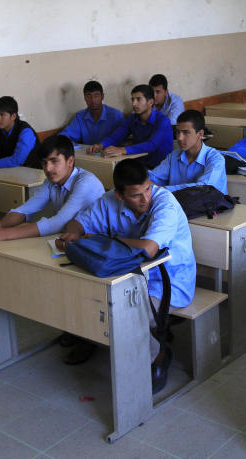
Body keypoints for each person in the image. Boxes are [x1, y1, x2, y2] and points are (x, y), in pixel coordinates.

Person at [57, 159, 195, 391]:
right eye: (136, 195)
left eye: (148, 189)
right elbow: (77, 225)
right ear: (119, 194)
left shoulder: (165, 204)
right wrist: (72, 236)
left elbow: (148, 248)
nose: (145, 199)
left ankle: (157, 354)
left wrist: (99, 240)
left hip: (167, 283)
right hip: (124, 276)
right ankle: (91, 337)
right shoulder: (109, 200)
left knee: (121, 314)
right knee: (83, 298)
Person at [0, 135, 105, 242]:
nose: (48, 169)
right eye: (44, 163)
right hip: (70, 239)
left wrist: (3, 234)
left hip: (97, 242)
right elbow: (25, 210)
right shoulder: (51, 182)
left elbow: (59, 222)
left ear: (70, 161)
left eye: (54, 161)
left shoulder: (85, 182)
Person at [88, 84, 173, 169]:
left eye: (138, 99)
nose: (134, 103)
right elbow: (116, 137)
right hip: (141, 166)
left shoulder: (163, 121)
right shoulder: (132, 118)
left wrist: (123, 150)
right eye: (132, 99)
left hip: (162, 169)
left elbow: (151, 145)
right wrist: (101, 145)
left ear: (150, 102)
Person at [149, 110, 227, 193]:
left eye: (186, 132)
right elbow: (151, 178)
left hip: (209, 205)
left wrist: (164, 190)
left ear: (200, 134)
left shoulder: (216, 159)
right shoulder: (173, 156)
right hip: (180, 204)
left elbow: (204, 188)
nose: (179, 138)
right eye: (178, 132)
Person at [58, 80, 125, 145]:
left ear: (102, 96)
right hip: (87, 155)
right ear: (84, 97)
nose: (93, 100)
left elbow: (121, 138)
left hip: (111, 154)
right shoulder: (80, 117)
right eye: (89, 96)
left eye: (96, 95)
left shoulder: (116, 115)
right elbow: (66, 135)